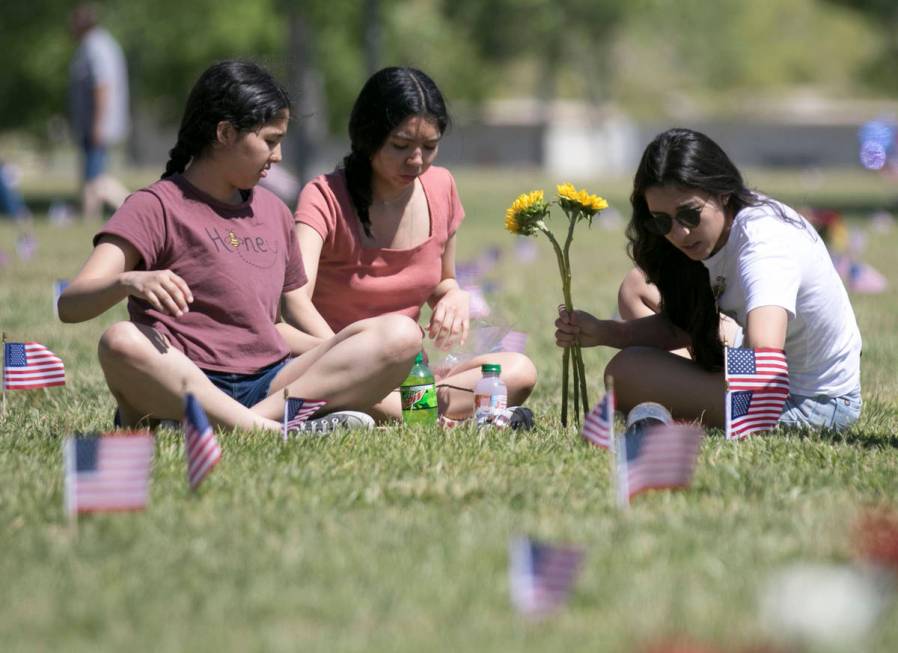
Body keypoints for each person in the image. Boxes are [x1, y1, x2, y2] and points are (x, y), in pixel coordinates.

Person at [58, 61, 422, 433]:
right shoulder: (155, 206)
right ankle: (267, 427)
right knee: (120, 341)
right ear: (225, 133)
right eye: (269, 141)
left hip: (271, 383)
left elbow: (274, 327)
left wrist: (346, 353)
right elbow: (70, 306)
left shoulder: (274, 211)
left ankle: (235, 424)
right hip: (181, 379)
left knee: (401, 335)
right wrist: (128, 282)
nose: (277, 156)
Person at [555, 128, 862, 431]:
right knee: (637, 287)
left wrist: (711, 383)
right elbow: (683, 324)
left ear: (722, 192)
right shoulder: (721, 226)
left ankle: (677, 395)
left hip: (809, 401)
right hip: (759, 367)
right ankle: (681, 389)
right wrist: (605, 332)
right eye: (661, 221)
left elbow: (764, 353)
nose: (679, 233)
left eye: (689, 215)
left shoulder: (764, 244)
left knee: (625, 373)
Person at [276, 66, 537, 421]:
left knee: (517, 371)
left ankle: (403, 412)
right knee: (392, 392)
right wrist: (343, 356)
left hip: (409, 377)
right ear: (369, 137)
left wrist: (455, 297)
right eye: (400, 146)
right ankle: (401, 411)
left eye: (429, 147)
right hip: (334, 369)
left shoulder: (442, 187)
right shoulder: (324, 196)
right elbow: (294, 300)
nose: (416, 160)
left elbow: (443, 281)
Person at [68, 3, 130, 220]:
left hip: (98, 123)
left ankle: (134, 206)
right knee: (92, 176)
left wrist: (98, 123)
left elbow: (102, 86)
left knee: (96, 179)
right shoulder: (95, 44)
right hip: (94, 123)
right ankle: (89, 217)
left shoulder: (96, 47)